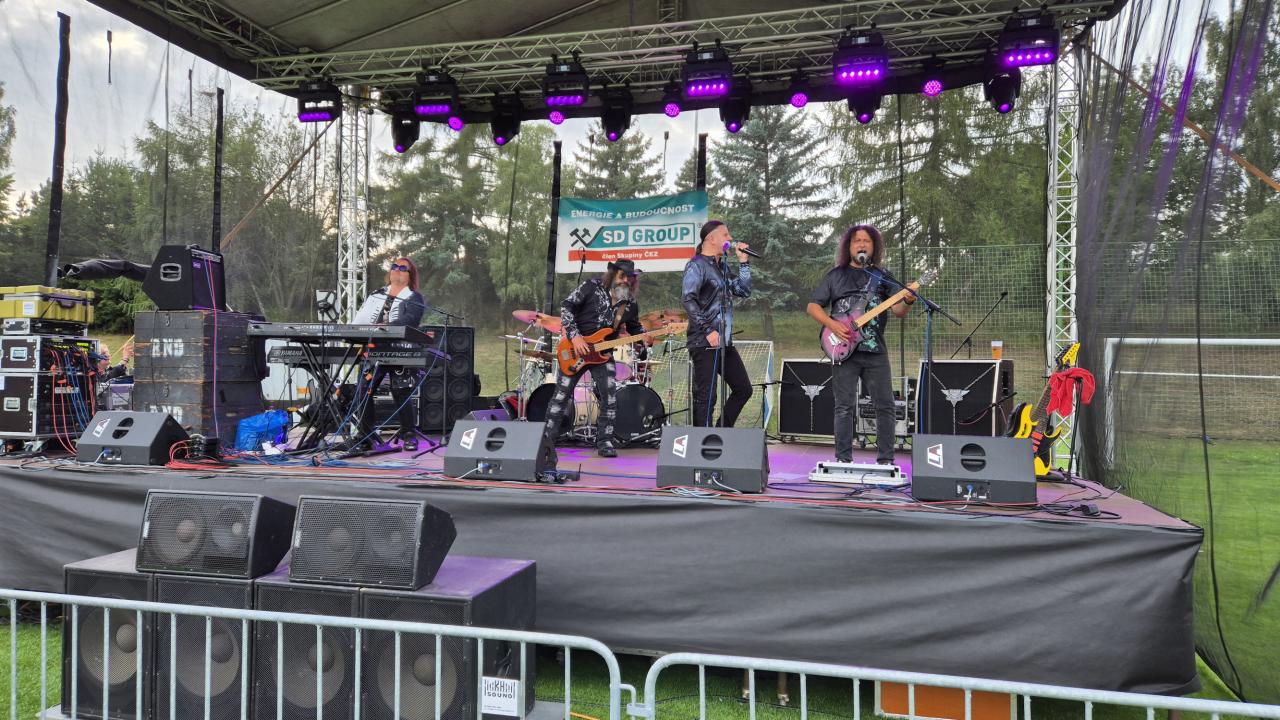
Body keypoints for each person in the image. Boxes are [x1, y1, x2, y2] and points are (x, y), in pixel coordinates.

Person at [806, 224, 913, 465]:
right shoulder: (836, 275)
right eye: (857, 241)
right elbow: (813, 306)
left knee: (885, 406)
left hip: (875, 350)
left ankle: (886, 461)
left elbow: (898, 310)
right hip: (843, 350)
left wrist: (908, 300)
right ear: (849, 246)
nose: (862, 244)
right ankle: (843, 460)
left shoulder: (882, 276)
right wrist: (833, 325)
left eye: (867, 241)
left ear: (874, 247)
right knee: (843, 407)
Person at [544, 258, 645, 457]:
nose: (625, 280)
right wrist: (575, 337)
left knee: (610, 397)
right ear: (612, 274)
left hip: (603, 354)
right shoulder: (591, 287)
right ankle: (546, 439)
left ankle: (605, 441)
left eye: (630, 277)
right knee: (561, 396)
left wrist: (643, 340)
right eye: (622, 276)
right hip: (575, 350)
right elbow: (567, 306)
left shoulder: (630, 304)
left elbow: (635, 327)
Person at [682, 220, 753, 427]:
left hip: (724, 342)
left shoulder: (722, 267)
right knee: (707, 397)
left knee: (743, 389)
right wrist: (708, 330)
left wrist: (744, 263)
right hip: (704, 341)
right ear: (711, 239)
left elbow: (743, 290)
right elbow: (688, 299)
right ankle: (701, 441)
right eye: (725, 235)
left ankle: (721, 431)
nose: (730, 238)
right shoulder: (696, 265)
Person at [352, 257, 427, 451]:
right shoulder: (376, 295)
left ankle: (408, 434)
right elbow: (360, 320)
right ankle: (365, 434)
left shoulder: (414, 297)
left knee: (401, 391)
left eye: (403, 267)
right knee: (363, 391)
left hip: (399, 350)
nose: (397, 269)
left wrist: (385, 326)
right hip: (373, 349)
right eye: (394, 266)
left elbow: (410, 320)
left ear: (410, 275)